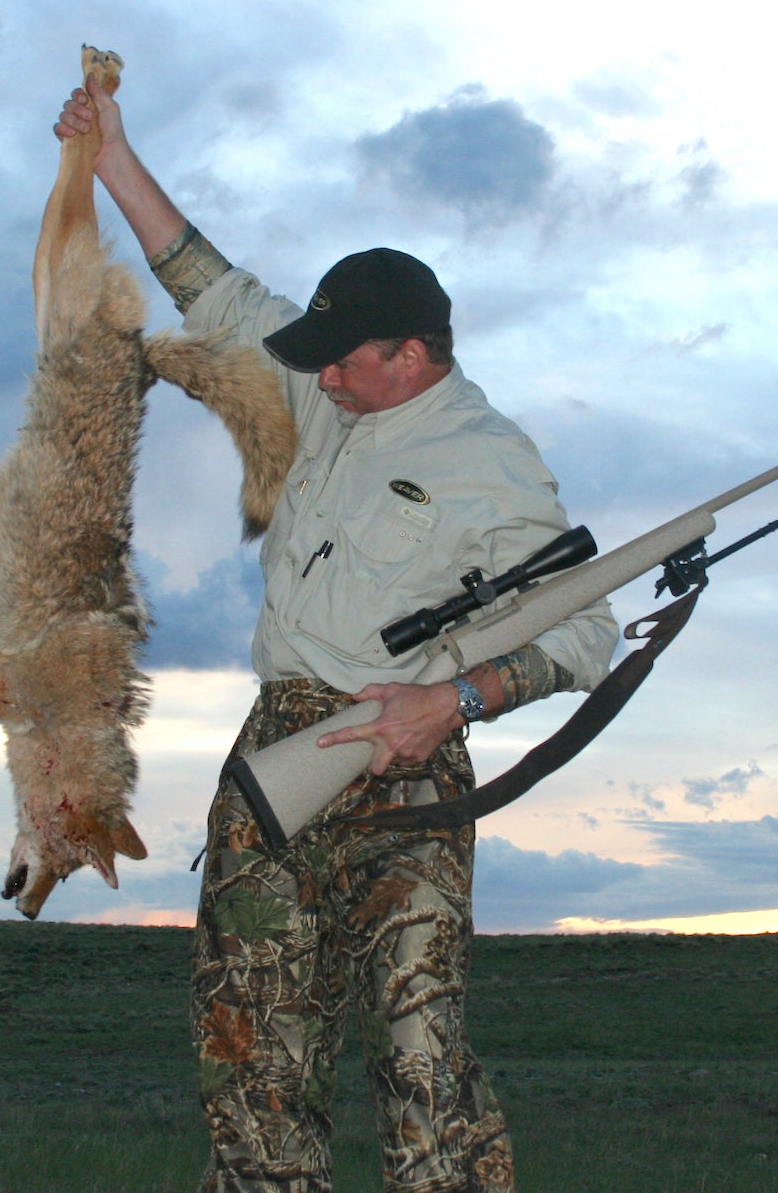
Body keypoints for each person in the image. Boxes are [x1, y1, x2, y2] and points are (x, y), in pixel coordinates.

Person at [56, 76, 618, 1193]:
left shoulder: (491, 459)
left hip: (408, 760)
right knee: (249, 1051)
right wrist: (115, 154)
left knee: (421, 1062)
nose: (319, 377)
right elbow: (213, 290)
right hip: (280, 754)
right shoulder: (330, 396)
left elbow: (588, 630)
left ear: (410, 354)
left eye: (346, 359)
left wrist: (449, 702)